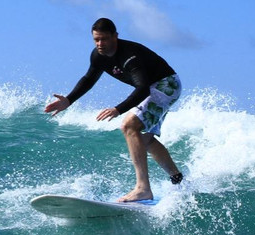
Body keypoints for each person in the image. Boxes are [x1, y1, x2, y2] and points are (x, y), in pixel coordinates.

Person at [44, 17, 184, 202]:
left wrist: (118, 109)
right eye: (96, 39)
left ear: (115, 36)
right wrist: (69, 100)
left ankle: (143, 188)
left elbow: (142, 88)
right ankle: (178, 181)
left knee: (129, 126)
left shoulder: (129, 56)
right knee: (143, 140)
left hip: (166, 84)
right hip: (155, 87)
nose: (100, 44)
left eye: (104, 39)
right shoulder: (98, 56)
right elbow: (89, 79)